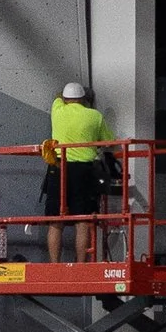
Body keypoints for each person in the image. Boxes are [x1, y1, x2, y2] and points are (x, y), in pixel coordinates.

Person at [41, 79, 112, 260]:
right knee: (83, 221)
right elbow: (109, 142)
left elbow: (57, 97)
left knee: (55, 222)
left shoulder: (57, 110)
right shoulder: (95, 116)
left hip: (58, 169)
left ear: (65, 99)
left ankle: (55, 264)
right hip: (84, 172)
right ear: (83, 99)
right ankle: (81, 265)